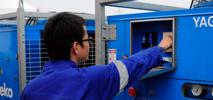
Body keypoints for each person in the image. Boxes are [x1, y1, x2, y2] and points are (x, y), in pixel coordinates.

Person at [21, 12, 173, 100]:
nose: (89, 44)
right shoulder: (89, 79)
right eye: (88, 39)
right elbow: (130, 66)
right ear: (75, 47)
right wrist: (159, 47)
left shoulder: (29, 89)